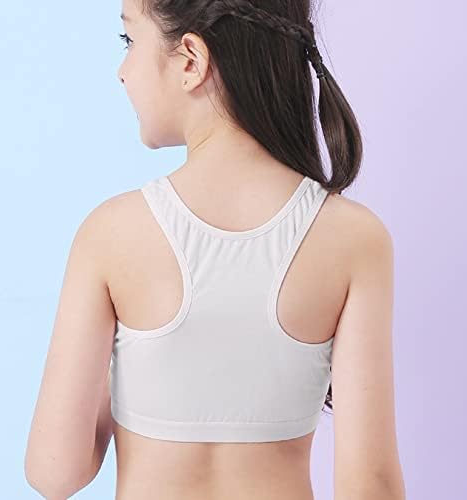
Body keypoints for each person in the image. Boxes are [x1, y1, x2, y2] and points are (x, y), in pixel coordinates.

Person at [24, 1, 406, 499]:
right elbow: (371, 485)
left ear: (191, 60)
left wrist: (125, 372)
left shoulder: (111, 235)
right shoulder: (353, 239)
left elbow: (55, 473)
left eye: (129, 41)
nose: (122, 71)